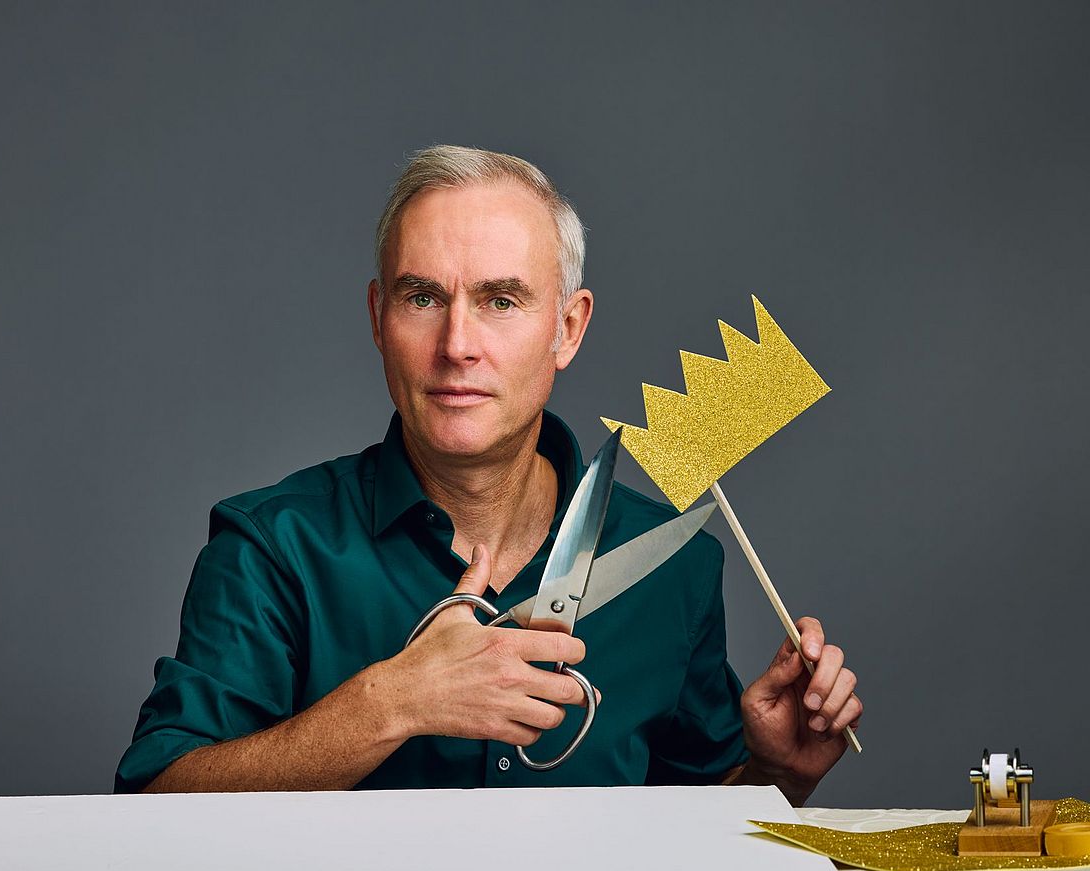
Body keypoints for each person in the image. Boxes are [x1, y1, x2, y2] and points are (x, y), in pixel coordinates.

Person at [115, 145, 861, 804]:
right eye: (423, 298)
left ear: (567, 327)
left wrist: (778, 775)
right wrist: (392, 702)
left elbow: (694, 823)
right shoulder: (270, 546)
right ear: (379, 318)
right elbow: (156, 797)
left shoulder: (676, 567)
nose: (457, 344)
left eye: (501, 301)